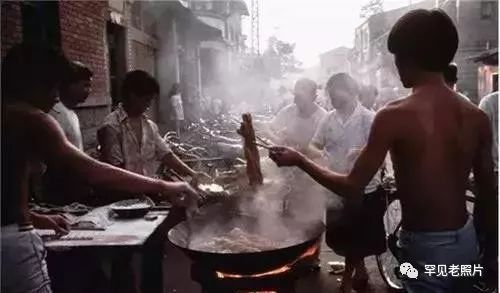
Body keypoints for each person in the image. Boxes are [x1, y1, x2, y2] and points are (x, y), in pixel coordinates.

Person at [269, 9, 497, 292]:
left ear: (408, 57)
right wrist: (490, 257)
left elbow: (353, 187)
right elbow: (489, 195)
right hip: (465, 243)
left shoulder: (393, 115)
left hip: (424, 250)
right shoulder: (476, 116)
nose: (394, 66)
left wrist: (300, 160)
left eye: (396, 57)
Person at [1, 43, 199, 293]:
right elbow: (93, 170)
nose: (56, 98)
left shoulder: (10, 113)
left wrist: (37, 217)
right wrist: (165, 185)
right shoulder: (33, 119)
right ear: (32, 83)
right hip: (13, 245)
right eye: (53, 87)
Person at [310, 73, 384, 292]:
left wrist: (361, 152)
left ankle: (347, 281)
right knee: (343, 236)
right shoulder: (329, 119)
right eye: (329, 93)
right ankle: (360, 272)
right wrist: (319, 155)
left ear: (351, 92)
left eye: (335, 93)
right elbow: (313, 144)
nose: (331, 97)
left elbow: (381, 150)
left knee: (356, 237)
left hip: (364, 188)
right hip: (335, 186)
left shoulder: (369, 118)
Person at [98, 70, 209, 183]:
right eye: (147, 99)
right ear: (133, 96)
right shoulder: (111, 127)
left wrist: (192, 173)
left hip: (150, 190)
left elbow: (166, 154)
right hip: (125, 196)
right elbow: (117, 172)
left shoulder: (150, 126)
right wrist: (159, 186)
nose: (150, 104)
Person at [40, 61, 94, 205]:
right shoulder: (54, 113)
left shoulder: (72, 113)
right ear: (69, 85)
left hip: (75, 186)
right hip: (59, 190)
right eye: (85, 85)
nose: (89, 90)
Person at [267, 78, 327, 152]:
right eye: (296, 96)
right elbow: (271, 128)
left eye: (301, 97)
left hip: (310, 160)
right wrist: (278, 139)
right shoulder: (289, 111)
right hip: (287, 157)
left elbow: (324, 150)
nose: (296, 101)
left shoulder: (323, 118)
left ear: (314, 98)